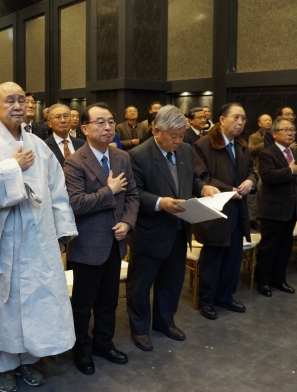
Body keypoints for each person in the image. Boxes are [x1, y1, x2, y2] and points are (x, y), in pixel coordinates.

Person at [0, 82, 77, 392]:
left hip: (35, 239)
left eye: (21, 100)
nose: (17, 106)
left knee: (34, 299)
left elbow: (57, 190)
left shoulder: (38, 146)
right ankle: (3, 366)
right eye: (9, 101)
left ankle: (27, 359)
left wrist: (62, 231)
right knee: (2, 302)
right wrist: (13, 166)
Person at [127, 105, 218, 351]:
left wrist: (203, 188)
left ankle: (164, 322)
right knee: (140, 285)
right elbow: (134, 193)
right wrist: (160, 203)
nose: (178, 140)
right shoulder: (138, 155)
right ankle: (139, 328)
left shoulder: (186, 150)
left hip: (179, 230)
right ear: (156, 130)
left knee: (172, 282)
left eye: (181, 135)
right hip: (150, 231)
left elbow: (192, 179)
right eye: (173, 136)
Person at [63, 102, 139, 376]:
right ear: (84, 128)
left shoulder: (121, 157)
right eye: (99, 122)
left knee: (108, 301)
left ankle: (103, 344)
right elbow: (76, 204)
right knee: (83, 305)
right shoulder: (73, 162)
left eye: (110, 121)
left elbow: (132, 196)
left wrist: (127, 222)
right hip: (87, 246)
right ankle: (81, 350)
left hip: (115, 242)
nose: (107, 127)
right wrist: (108, 191)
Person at [193, 103, 258, 320]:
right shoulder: (203, 145)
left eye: (243, 119)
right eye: (236, 118)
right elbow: (201, 178)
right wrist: (229, 190)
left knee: (233, 256)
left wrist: (250, 181)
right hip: (216, 210)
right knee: (213, 257)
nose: (240, 122)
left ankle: (226, 296)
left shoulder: (241, 145)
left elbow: (251, 172)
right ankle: (207, 300)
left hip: (238, 210)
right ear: (222, 119)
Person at [255, 118, 297, 296]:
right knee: (268, 248)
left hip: (291, 209)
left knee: (285, 248)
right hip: (272, 210)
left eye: (292, 130)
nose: (290, 133)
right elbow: (268, 176)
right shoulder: (267, 154)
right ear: (275, 134)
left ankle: (279, 280)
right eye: (286, 130)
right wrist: (289, 171)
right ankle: (263, 282)